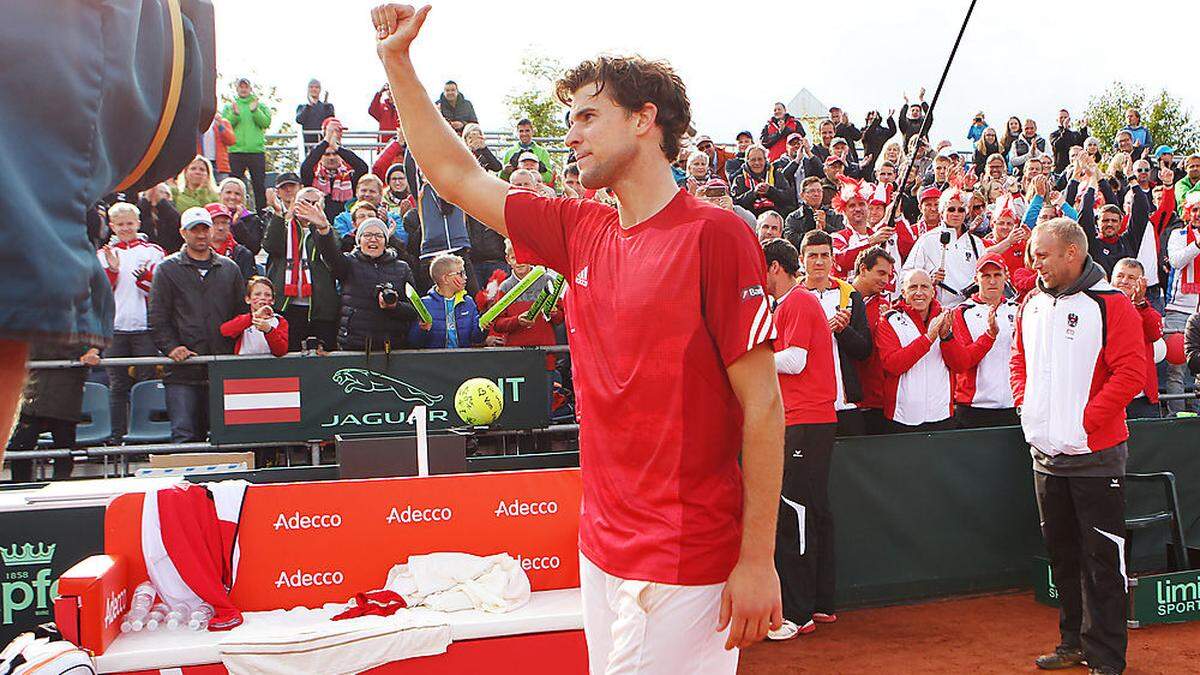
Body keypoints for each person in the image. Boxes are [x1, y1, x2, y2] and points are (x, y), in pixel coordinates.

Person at [373, 5, 785, 669]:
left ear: (644, 119)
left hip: (686, 555)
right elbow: (455, 174)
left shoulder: (716, 234)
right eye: (568, 120)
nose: (572, 135)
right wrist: (397, 64)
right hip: (600, 546)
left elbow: (763, 403)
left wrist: (759, 558)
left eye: (588, 116)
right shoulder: (579, 228)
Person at [1012, 218, 1145, 675]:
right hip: (1045, 457)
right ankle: (1072, 642)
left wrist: (1085, 422)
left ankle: (1106, 658)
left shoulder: (1112, 305)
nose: (1034, 263)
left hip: (1097, 458)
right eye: (1033, 254)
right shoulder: (1030, 303)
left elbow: (1132, 374)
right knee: (1063, 558)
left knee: (1102, 562)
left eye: (1042, 254)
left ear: (1072, 253)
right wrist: (1026, 409)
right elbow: (1019, 362)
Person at [761, 238, 837, 641]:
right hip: (808, 421)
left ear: (775, 267)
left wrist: (752, 361)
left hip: (805, 421)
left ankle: (797, 612)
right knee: (813, 513)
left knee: (796, 515)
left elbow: (796, 358)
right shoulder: (796, 303)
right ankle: (821, 602)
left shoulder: (797, 302)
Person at [148, 207, 245, 443]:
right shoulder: (166, 268)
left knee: (226, 438)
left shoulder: (230, 268)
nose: (201, 235)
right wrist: (171, 348)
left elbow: (240, 314)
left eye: (205, 229)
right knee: (184, 436)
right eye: (194, 230)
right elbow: (157, 317)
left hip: (222, 368)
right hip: (182, 371)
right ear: (183, 233)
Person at [97, 202, 164, 443]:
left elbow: (160, 289)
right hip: (114, 329)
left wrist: (145, 278)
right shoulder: (103, 255)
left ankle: (146, 436)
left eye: (129, 223)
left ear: (138, 224)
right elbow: (99, 293)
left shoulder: (153, 251)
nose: (125, 228)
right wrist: (113, 271)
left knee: (146, 382)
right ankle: (116, 436)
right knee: (117, 385)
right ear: (112, 226)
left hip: (145, 328)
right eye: (120, 224)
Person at [312, 210, 423, 351]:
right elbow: (330, 255)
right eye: (367, 235)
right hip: (353, 344)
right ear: (359, 240)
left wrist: (394, 306)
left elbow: (415, 309)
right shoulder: (348, 263)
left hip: (392, 345)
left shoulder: (402, 268)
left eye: (378, 235)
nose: (373, 239)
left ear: (385, 241)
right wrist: (324, 230)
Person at [875, 268, 971, 432]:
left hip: (941, 416)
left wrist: (947, 338)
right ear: (903, 292)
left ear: (933, 292)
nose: (919, 292)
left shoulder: (946, 317)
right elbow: (892, 365)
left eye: (924, 287)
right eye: (913, 287)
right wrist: (928, 338)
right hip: (901, 417)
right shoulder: (889, 320)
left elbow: (961, 364)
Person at [799, 230, 872, 436]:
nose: (819, 262)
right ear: (801, 259)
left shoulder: (850, 296)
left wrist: (844, 331)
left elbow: (865, 351)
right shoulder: (791, 297)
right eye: (812, 256)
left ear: (833, 259)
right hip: (806, 406)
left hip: (845, 403)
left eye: (825, 255)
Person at [6, 344, 99, 482]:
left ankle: (59, 487)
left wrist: (92, 351)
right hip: (33, 393)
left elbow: (95, 340)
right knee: (21, 446)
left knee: (64, 446)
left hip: (65, 393)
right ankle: (20, 486)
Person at [262, 187, 340, 352]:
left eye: (314, 204)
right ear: (294, 205)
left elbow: (334, 257)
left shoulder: (328, 231)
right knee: (289, 355)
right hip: (286, 305)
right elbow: (271, 246)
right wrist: (278, 213)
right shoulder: (284, 227)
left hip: (319, 308)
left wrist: (322, 227)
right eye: (304, 202)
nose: (309, 207)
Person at [948, 254, 1019, 428]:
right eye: (986, 276)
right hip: (975, 407)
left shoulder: (1018, 310)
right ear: (976, 279)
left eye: (997, 275)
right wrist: (989, 336)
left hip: (1013, 405)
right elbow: (962, 361)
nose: (992, 281)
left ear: (1006, 277)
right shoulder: (962, 312)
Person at [903, 186, 985, 308]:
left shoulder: (976, 243)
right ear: (942, 212)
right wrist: (929, 280)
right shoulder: (927, 239)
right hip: (938, 309)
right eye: (951, 209)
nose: (956, 214)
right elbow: (906, 276)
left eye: (961, 210)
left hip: (970, 310)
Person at [850, 247, 896, 434]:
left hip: (879, 399)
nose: (886, 280)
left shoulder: (887, 305)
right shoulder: (838, 298)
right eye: (881, 273)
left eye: (889, 275)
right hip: (848, 400)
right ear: (863, 269)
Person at [485, 240, 564, 350]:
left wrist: (554, 313)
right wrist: (517, 320)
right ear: (507, 260)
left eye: (523, 257)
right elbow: (498, 324)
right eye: (513, 258)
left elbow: (561, 318)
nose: (519, 262)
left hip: (546, 350)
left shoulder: (547, 280)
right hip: (516, 353)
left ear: (531, 256)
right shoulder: (505, 287)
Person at [1110, 258, 1163, 419]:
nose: (1124, 281)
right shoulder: (1097, 307)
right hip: (1109, 396)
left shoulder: (1145, 308)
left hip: (1141, 399)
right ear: (1111, 278)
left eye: (1131, 278)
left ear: (1141, 282)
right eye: (1120, 276)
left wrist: (1139, 303)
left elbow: (1154, 333)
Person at [1163, 191, 1200, 413]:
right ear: (1188, 212)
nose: (1198, 214)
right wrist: (1197, 243)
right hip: (1179, 308)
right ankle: (1177, 414)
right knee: (1175, 367)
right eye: (1194, 210)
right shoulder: (1177, 234)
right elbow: (1176, 261)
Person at [302, 119, 372, 224]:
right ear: (320, 157)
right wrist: (326, 141)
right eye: (327, 154)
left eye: (335, 154)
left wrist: (338, 148)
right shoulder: (313, 178)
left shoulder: (350, 178)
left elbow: (362, 168)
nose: (331, 157)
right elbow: (305, 167)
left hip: (345, 228)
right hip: (318, 227)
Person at [409, 253, 484, 349]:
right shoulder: (425, 304)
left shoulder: (468, 302)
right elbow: (414, 342)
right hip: (435, 360)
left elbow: (476, 338)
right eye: (460, 273)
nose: (465, 277)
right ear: (445, 279)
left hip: (463, 359)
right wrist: (421, 330)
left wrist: (483, 328)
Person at [222, 77, 272, 210]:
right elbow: (224, 125)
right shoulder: (230, 106)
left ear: (250, 89)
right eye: (241, 87)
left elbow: (266, 123)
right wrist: (235, 114)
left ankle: (262, 215)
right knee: (234, 184)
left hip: (256, 151)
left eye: (246, 87)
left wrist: (255, 111)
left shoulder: (260, 105)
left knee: (259, 185)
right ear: (237, 89)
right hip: (235, 151)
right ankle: (232, 211)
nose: (243, 89)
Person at [220, 276, 289, 356]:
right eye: (257, 294)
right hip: (244, 365)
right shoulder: (243, 320)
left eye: (267, 295)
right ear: (248, 299)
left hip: (270, 365)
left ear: (273, 300)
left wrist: (269, 330)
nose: (262, 298)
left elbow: (281, 351)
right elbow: (225, 331)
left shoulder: (279, 321)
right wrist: (254, 316)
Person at [732, 145, 795, 217]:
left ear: (765, 160)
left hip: (776, 218)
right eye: (753, 160)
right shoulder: (740, 179)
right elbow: (735, 204)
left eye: (760, 159)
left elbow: (789, 199)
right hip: (750, 220)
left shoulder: (776, 175)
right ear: (747, 161)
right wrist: (754, 193)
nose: (757, 163)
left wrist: (770, 190)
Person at [218, 177, 267, 256]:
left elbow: (254, 249)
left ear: (243, 198)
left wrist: (237, 224)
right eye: (228, 192)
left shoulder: (253, 219)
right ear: (220, 195)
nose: (232, 197)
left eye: (237, 194)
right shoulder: (211, 215)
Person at [206, 203, 256, 280]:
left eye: (224, 222)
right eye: (215, 223)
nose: (221, 228)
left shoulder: (243, 254)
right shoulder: (195, 252)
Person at [502, 118, 555, 184]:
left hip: (536, 189)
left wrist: (539, 170)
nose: (524, 134)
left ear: (532, 132)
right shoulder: (509, 152)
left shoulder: (542, 152)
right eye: (521, 131)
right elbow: (501, 178)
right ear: (516, 133)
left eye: (527, 131)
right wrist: (505, 171)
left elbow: (548, 178)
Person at [295, 78, 335, 148]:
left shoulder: (328, 106)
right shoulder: (302, 107)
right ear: (308, 89)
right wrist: (309, 106)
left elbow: (331, 119)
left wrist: (326, 105)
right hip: (308, 144)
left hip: (324, 142)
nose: (314, 89)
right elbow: (299, 120)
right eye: (311, 87)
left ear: (320, 90)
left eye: (316, 87)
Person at [198, 112, 236, 181]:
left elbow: (231, 141)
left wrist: (220, 126)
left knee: (221, 189)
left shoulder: (223, 122)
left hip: (219, 166)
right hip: (201, 164)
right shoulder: (198, 122)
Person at [1050, 109, 1088, 174]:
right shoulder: (1054, 135)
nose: (1063, 119)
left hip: (1076, 169)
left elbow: (1085, 145)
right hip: (1060, 170)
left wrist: (1083, 129)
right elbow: (1058, 145)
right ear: (1057, 120)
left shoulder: (1075, 134)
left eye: (1065, 117)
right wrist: (1065, 130)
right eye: (1061, 117)